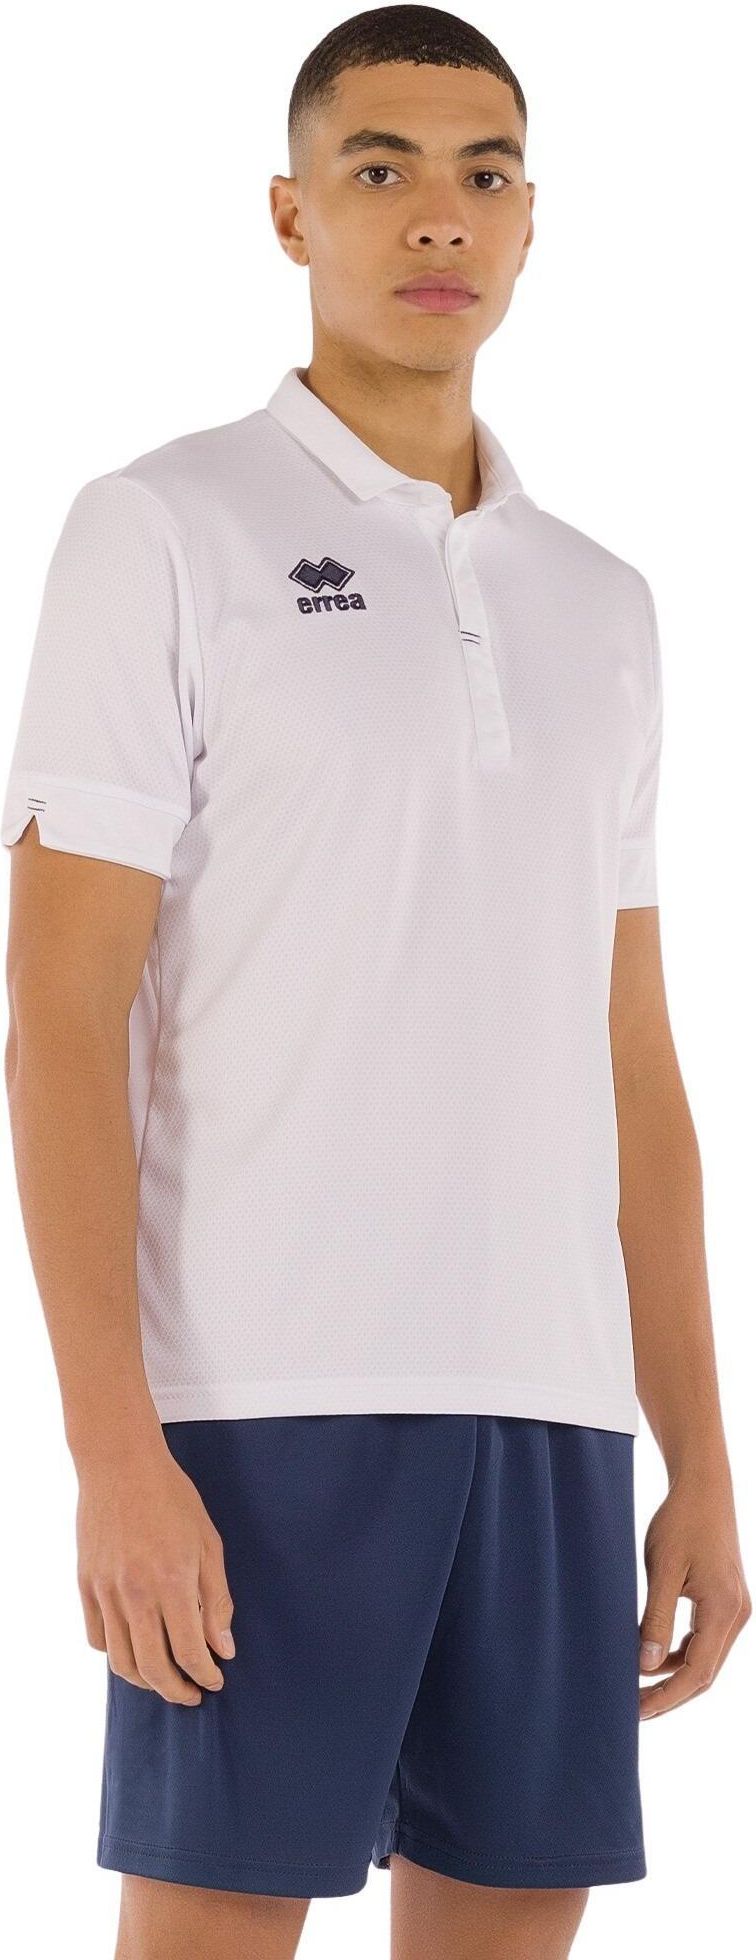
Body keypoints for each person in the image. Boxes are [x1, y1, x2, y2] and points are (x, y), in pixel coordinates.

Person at [2, 6, 751, 1957]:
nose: (440, 216)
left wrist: (697, 1456)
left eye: (484, 174)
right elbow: (60, 1016)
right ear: (291, 213)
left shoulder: (605, 604)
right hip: (267, 1400)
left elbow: (634, 1063)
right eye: (381, 168)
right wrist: (112, 1447)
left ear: (531, 221)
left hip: (552, 1410)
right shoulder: (164, 527)